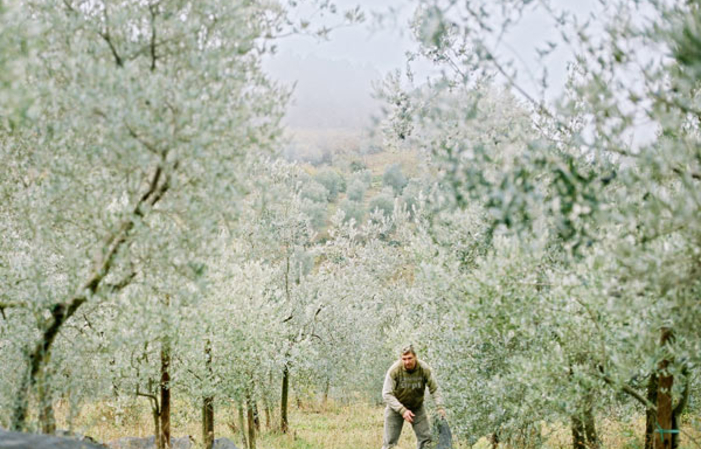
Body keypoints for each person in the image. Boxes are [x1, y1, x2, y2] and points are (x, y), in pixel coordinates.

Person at [381, 344, 446, 449]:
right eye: (404, 359)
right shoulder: (395, 370)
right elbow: (386, 394)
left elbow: (435, 389)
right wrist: (402, 410)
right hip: (396, 408)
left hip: (417, 407)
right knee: (389, 444)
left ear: (415, 357)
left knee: (426, 441)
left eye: (410, 358)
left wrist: (440, 407)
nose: (407, 362)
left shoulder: (424, 369)